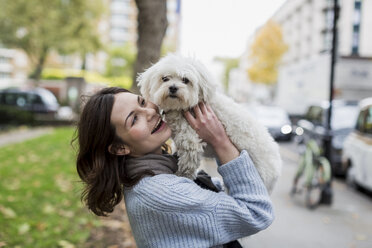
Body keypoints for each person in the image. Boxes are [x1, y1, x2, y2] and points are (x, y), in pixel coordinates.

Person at [74, 87, 274, 248]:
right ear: (120, 148)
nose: (151, 112)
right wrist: (220, 141)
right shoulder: (161, 192)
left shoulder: (155, 173)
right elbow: (255, 212)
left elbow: (217, 197)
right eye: (134, 119)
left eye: (142, 102)